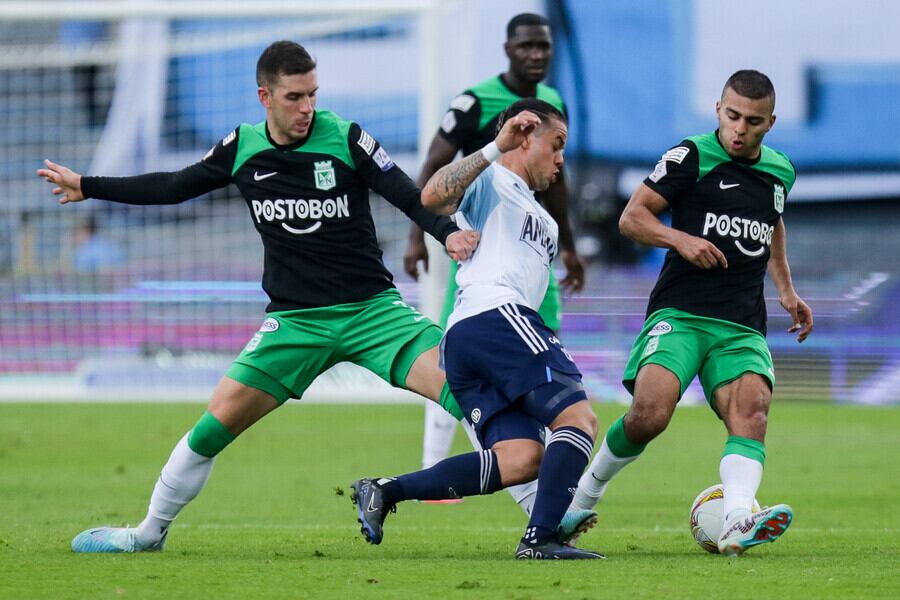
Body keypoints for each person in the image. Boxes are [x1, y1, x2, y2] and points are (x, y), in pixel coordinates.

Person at [37, 40, 481, 554]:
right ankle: (147, 534)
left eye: (313, 94)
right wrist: (88, 186)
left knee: (469, 391)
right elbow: (174, 185)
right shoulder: (242, 147)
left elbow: (407, 194)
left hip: (373, 313)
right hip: (294, 323)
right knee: (212, 427)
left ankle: (543, 520)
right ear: (264, 96)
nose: (307, 107)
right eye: (295, 97)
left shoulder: (348, 138)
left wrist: (447, 232)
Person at [568, 70, 814, 556]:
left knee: (752, 414)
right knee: (649, 415)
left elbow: (773, 223)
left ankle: (738, 520)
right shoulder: (692, 156)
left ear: (771, 123)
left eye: (754, 121)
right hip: (681, 313)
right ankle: (581, 497)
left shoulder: (780, 170)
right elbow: (632, 217)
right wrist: (681, 239)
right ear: (718, 108)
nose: (741, 129)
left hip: (741, 322)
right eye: (733, 116)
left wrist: (786, 290)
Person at [351, 99, 604, 560]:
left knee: (522, 458)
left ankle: (384, 491)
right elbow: (430, 197)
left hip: (475, 339)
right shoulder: (493, 181)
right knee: (579, 419)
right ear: (525, 138)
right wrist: (494, 148)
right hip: (495, 318)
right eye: (557, 144)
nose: (561, 159)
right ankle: (541, 538)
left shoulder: (540, 215)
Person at [407, 13, 585, 508]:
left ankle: (392, 490)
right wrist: (423, 236)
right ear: (508, 48)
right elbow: (432, 185)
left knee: (525, 430)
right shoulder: (476, 104)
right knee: (573, 407)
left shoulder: (554, 112)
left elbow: (558, 183)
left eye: (544, 47)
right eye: (527, 45)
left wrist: (567, 244)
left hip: (529, 277)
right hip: (484, 285)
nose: (537, 54)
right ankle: (545, 513)